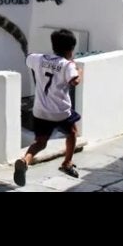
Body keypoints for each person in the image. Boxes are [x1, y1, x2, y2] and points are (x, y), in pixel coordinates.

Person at [14, 28, 82, 187]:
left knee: (40, 142)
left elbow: (28, 58)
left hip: (40, 111)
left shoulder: (39, 59)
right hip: (60, 112)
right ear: (70, 50)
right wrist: (79, 71)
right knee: (72, 132)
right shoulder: (67, 65)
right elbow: (74, 82)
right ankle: (67, 163)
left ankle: (25, 161)